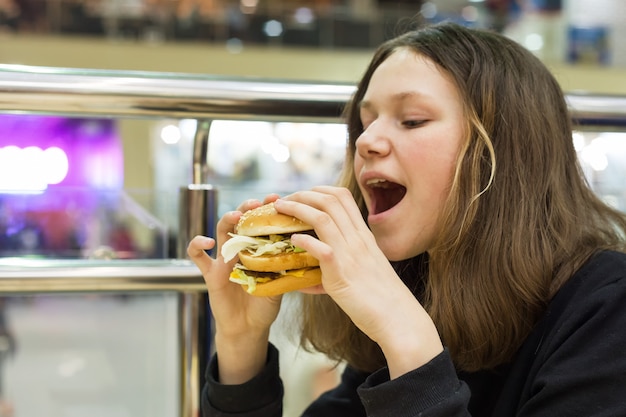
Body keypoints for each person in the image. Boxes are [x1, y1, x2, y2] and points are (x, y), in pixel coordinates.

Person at [188, 22, 626, 416]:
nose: (368, 141)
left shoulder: (607, 309)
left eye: (412, 120)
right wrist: (240, 343)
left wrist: (404, 334)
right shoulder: (418, 278)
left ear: (508, 154)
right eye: (366, 122)